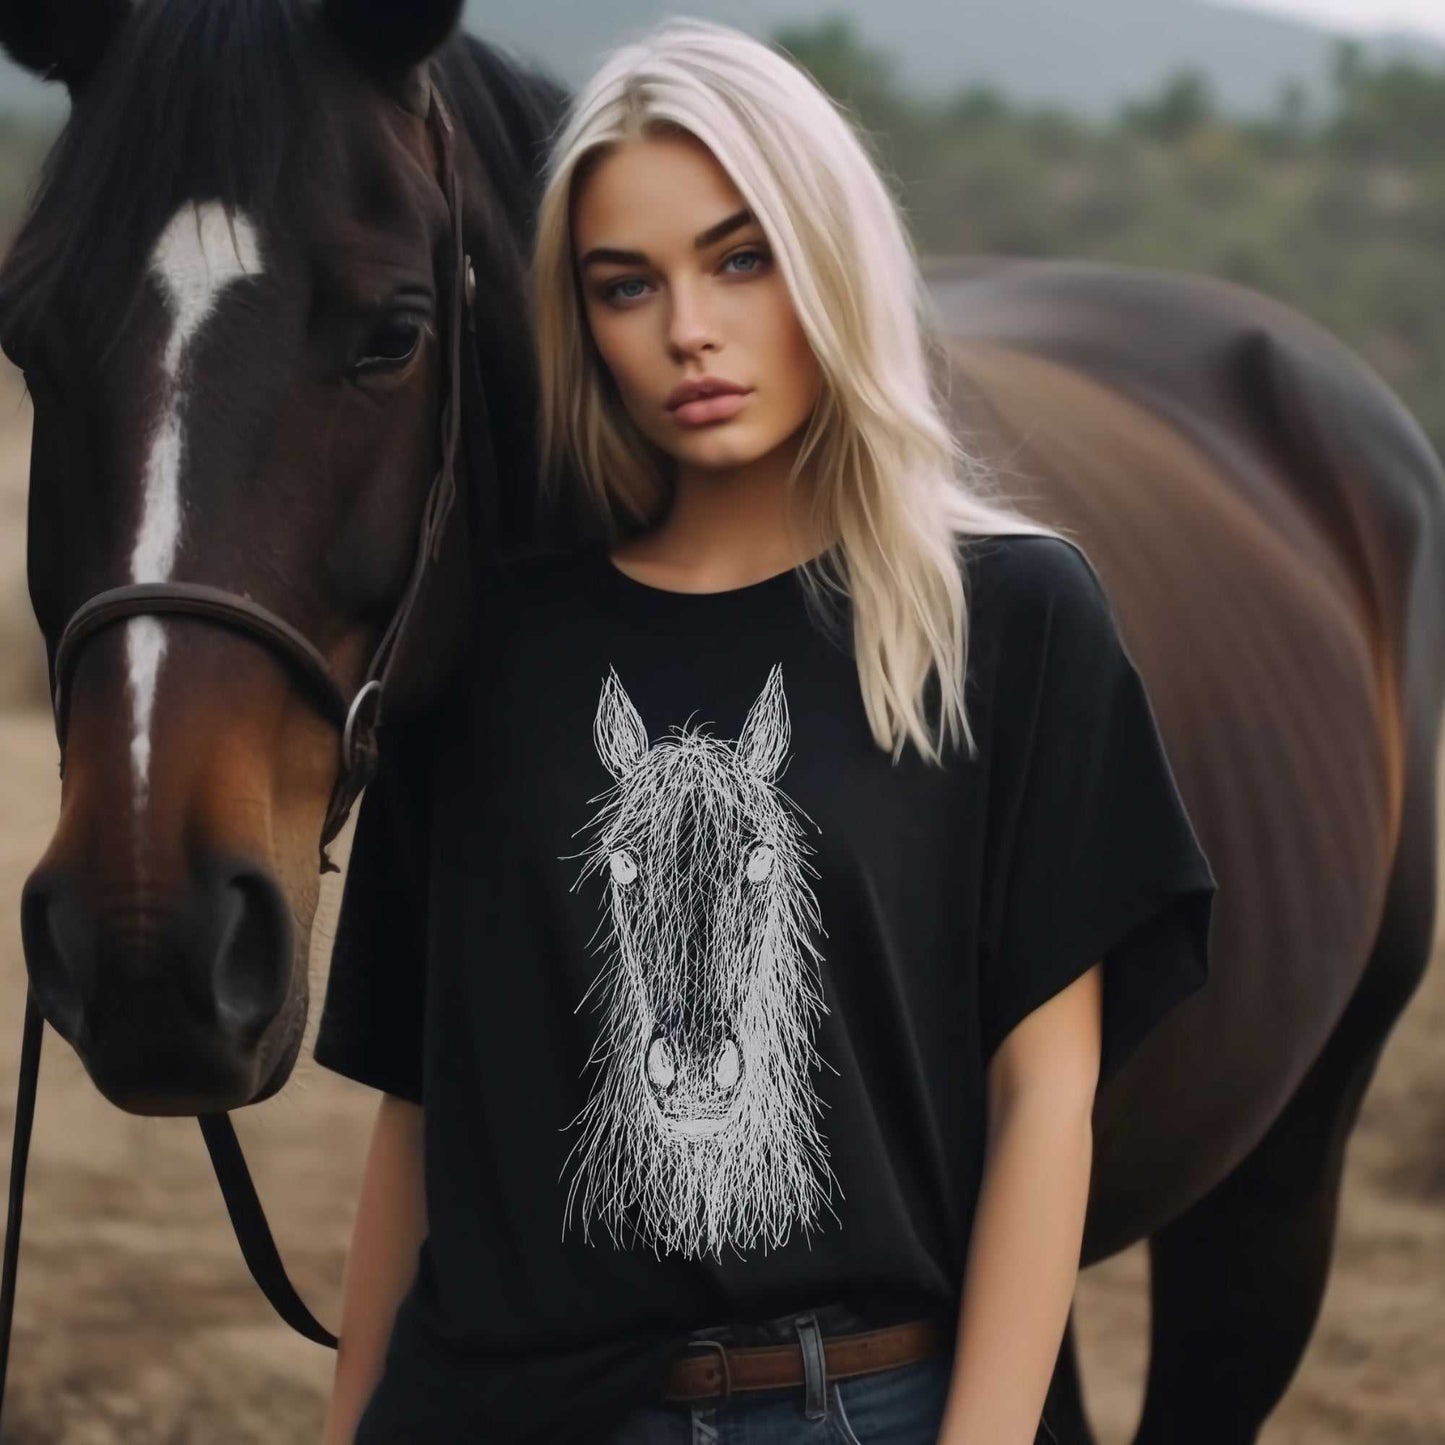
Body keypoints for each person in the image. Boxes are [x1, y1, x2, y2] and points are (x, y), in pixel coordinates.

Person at [315, 17, 1217, 1445]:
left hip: (856, 1404)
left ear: (832, 257)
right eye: (626, 285)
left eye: (741, 258)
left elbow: (1047, 1093)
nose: (687, 330)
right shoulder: (490, 649)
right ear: (580, 318)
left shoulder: (1011, 621)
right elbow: (426, 1114)